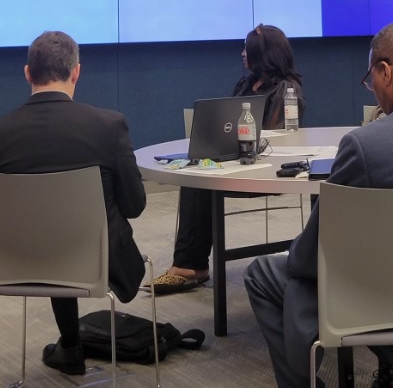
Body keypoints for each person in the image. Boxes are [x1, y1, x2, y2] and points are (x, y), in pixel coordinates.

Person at [244, 21, 393, 388]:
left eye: (370, 79)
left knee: (264, 272)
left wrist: (296, 257)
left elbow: (314, 254)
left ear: (385, 72)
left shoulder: (364, 145)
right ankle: (388, 371)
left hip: (373, 296)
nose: (372, 87)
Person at [0, 30, 146, 376]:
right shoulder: (108, 126)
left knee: (50, 231)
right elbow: (134, 206)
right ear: (76, 72)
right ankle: (71, 345)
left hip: (15, 262)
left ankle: (70, 346)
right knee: (80, 230)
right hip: (92, 262)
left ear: (27, 73)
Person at [155, 24, 305, 292]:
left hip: (262, 172)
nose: (242, 54)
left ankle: (190, 265)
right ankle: (191, 265)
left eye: (247, 48)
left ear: (263, 52)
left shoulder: (287, 90)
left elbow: (276, 140)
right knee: (195, 173)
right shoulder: (246, 83)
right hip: (237, 162)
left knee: (199, 180)